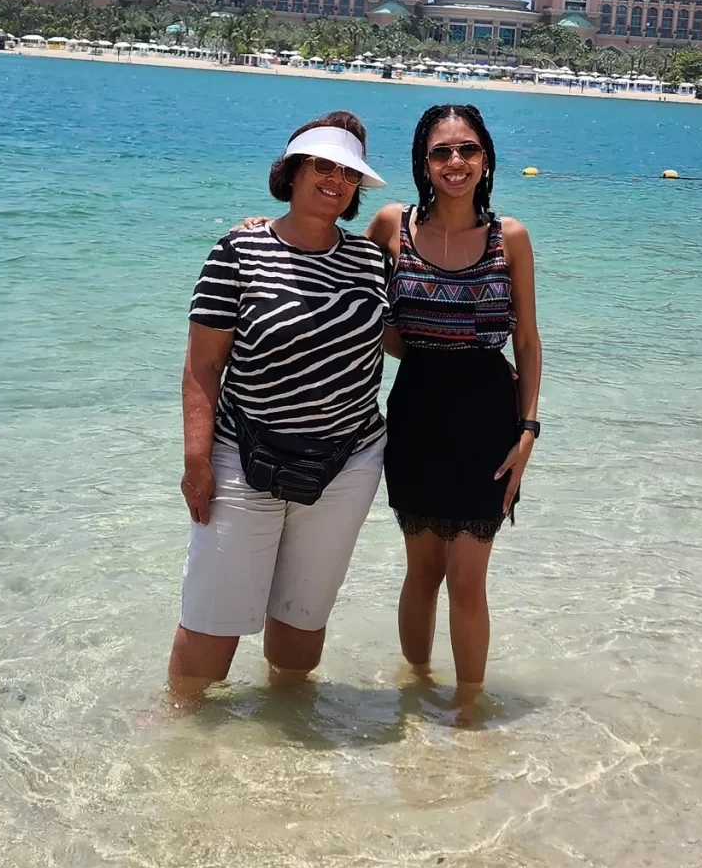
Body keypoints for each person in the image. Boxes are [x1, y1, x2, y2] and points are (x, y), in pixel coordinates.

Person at [167, 112, 389, 704]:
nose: (336, 180)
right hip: (243, 455)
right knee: (212, 623)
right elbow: (202, 366)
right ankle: (179, 729)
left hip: (348, 462)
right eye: (323, 166)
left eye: (349, 172)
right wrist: (196, 462)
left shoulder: (372, 261)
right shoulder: (238, 251)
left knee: (301, 623)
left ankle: (287, 729)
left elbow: (409, 336)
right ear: (291, 172)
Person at [367, 104, 541, 693]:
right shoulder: (392, 225)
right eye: (441, 152)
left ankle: (469, 711)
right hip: (415, 412)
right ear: (423, 163)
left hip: (489, 418)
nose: (455, 162)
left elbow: (527, 340)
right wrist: (269, 226)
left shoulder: (509, 237)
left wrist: (528, 432)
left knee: (467, 580)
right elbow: (340, 273)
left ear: (486, 158)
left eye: (467, 149)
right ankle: (415, 693)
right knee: (422, 573)